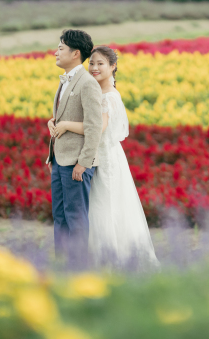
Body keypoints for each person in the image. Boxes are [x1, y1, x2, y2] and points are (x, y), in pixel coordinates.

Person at [54, 45, 159, 268]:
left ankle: (110, 262)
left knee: (104, 207)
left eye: (100, 63)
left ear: (113, 67)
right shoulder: (94, 90)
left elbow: (98, 127)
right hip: (93, 155)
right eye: (91, 63)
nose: (94, 68)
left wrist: (65, 125)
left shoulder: (108, 96)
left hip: (105, 159)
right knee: (92, 208)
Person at [46, 29, 102, 263]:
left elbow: (94, 126)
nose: (56, 52)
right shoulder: (66, 80)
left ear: (75, 53)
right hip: (60, 161)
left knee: (76, 218)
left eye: (61, 48)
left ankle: (78, 267)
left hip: (76, 164)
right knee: (59, 217)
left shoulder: (87, 83)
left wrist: (83, 162)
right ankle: (61, 264)